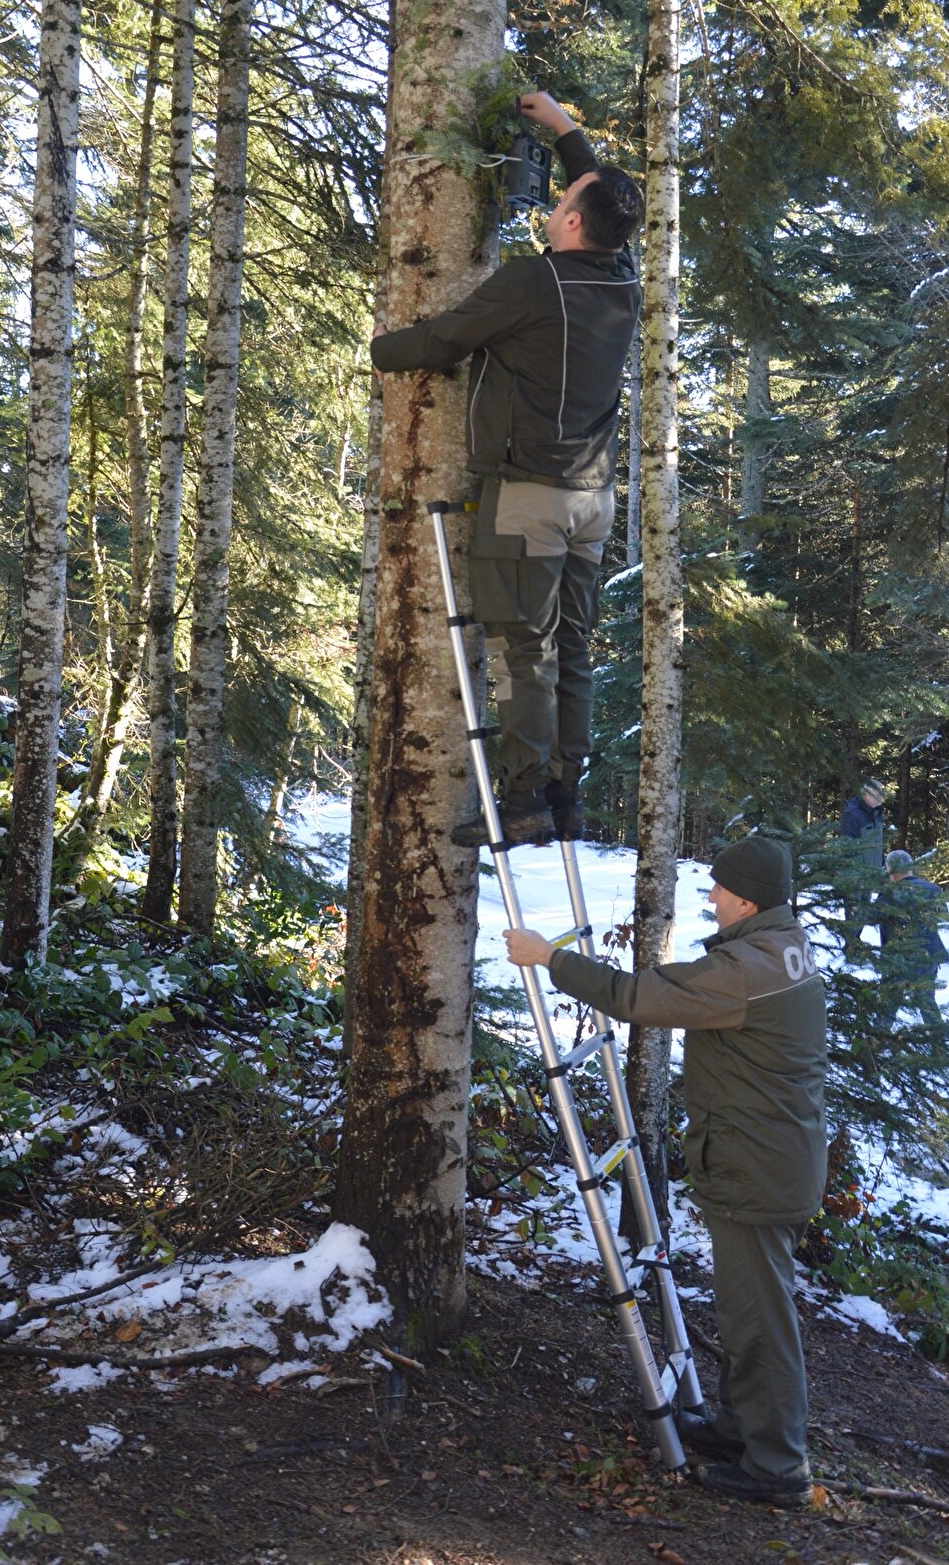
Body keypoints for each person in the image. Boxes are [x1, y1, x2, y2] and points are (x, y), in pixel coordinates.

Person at [504, 835, 825, 1503]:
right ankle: (741, 1430)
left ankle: (778, 1468)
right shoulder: (783, 945)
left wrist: (549, 958)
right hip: (771, 1159)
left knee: (761, 1323)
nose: (711, 896)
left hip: (756, 1168)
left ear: (747, 900)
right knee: (747, 1310)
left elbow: (637, 997)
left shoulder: (747, 970)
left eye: (719, 887)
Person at [370, 90, 644, 849]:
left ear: (575, 223)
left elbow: (443, 341)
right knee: (574, 650)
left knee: (529, 656)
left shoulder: (533, 283)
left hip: (529, 497)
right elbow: (607, 202)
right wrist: (564, 131)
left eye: (566, 200)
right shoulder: (623, 278)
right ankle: (563, 796)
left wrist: (380, 348)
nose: (556, 203)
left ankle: (523, 802)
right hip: (593, 498)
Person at [874, 848, 949, 1031]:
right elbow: (944, 917)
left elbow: (869, 918)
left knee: (888, 1005)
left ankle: (875, 1041)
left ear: (890, 869)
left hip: (898, 959)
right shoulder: (933, 889)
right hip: (929, 956)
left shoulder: (889, 894)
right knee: (927, 1004)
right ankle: (939, 1043)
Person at [839, 777, 886, 947]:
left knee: (864, 909)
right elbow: (847, 847)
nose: (882, 798)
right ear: (867, 795)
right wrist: (856, 873)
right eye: (879, 794)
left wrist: (881, 864)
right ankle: (850, 946)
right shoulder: (852, 814)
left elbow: (877, 842)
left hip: (870, 872)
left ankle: (855, 942)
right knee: (854, 910)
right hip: (855, 875)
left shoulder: (877, 813)